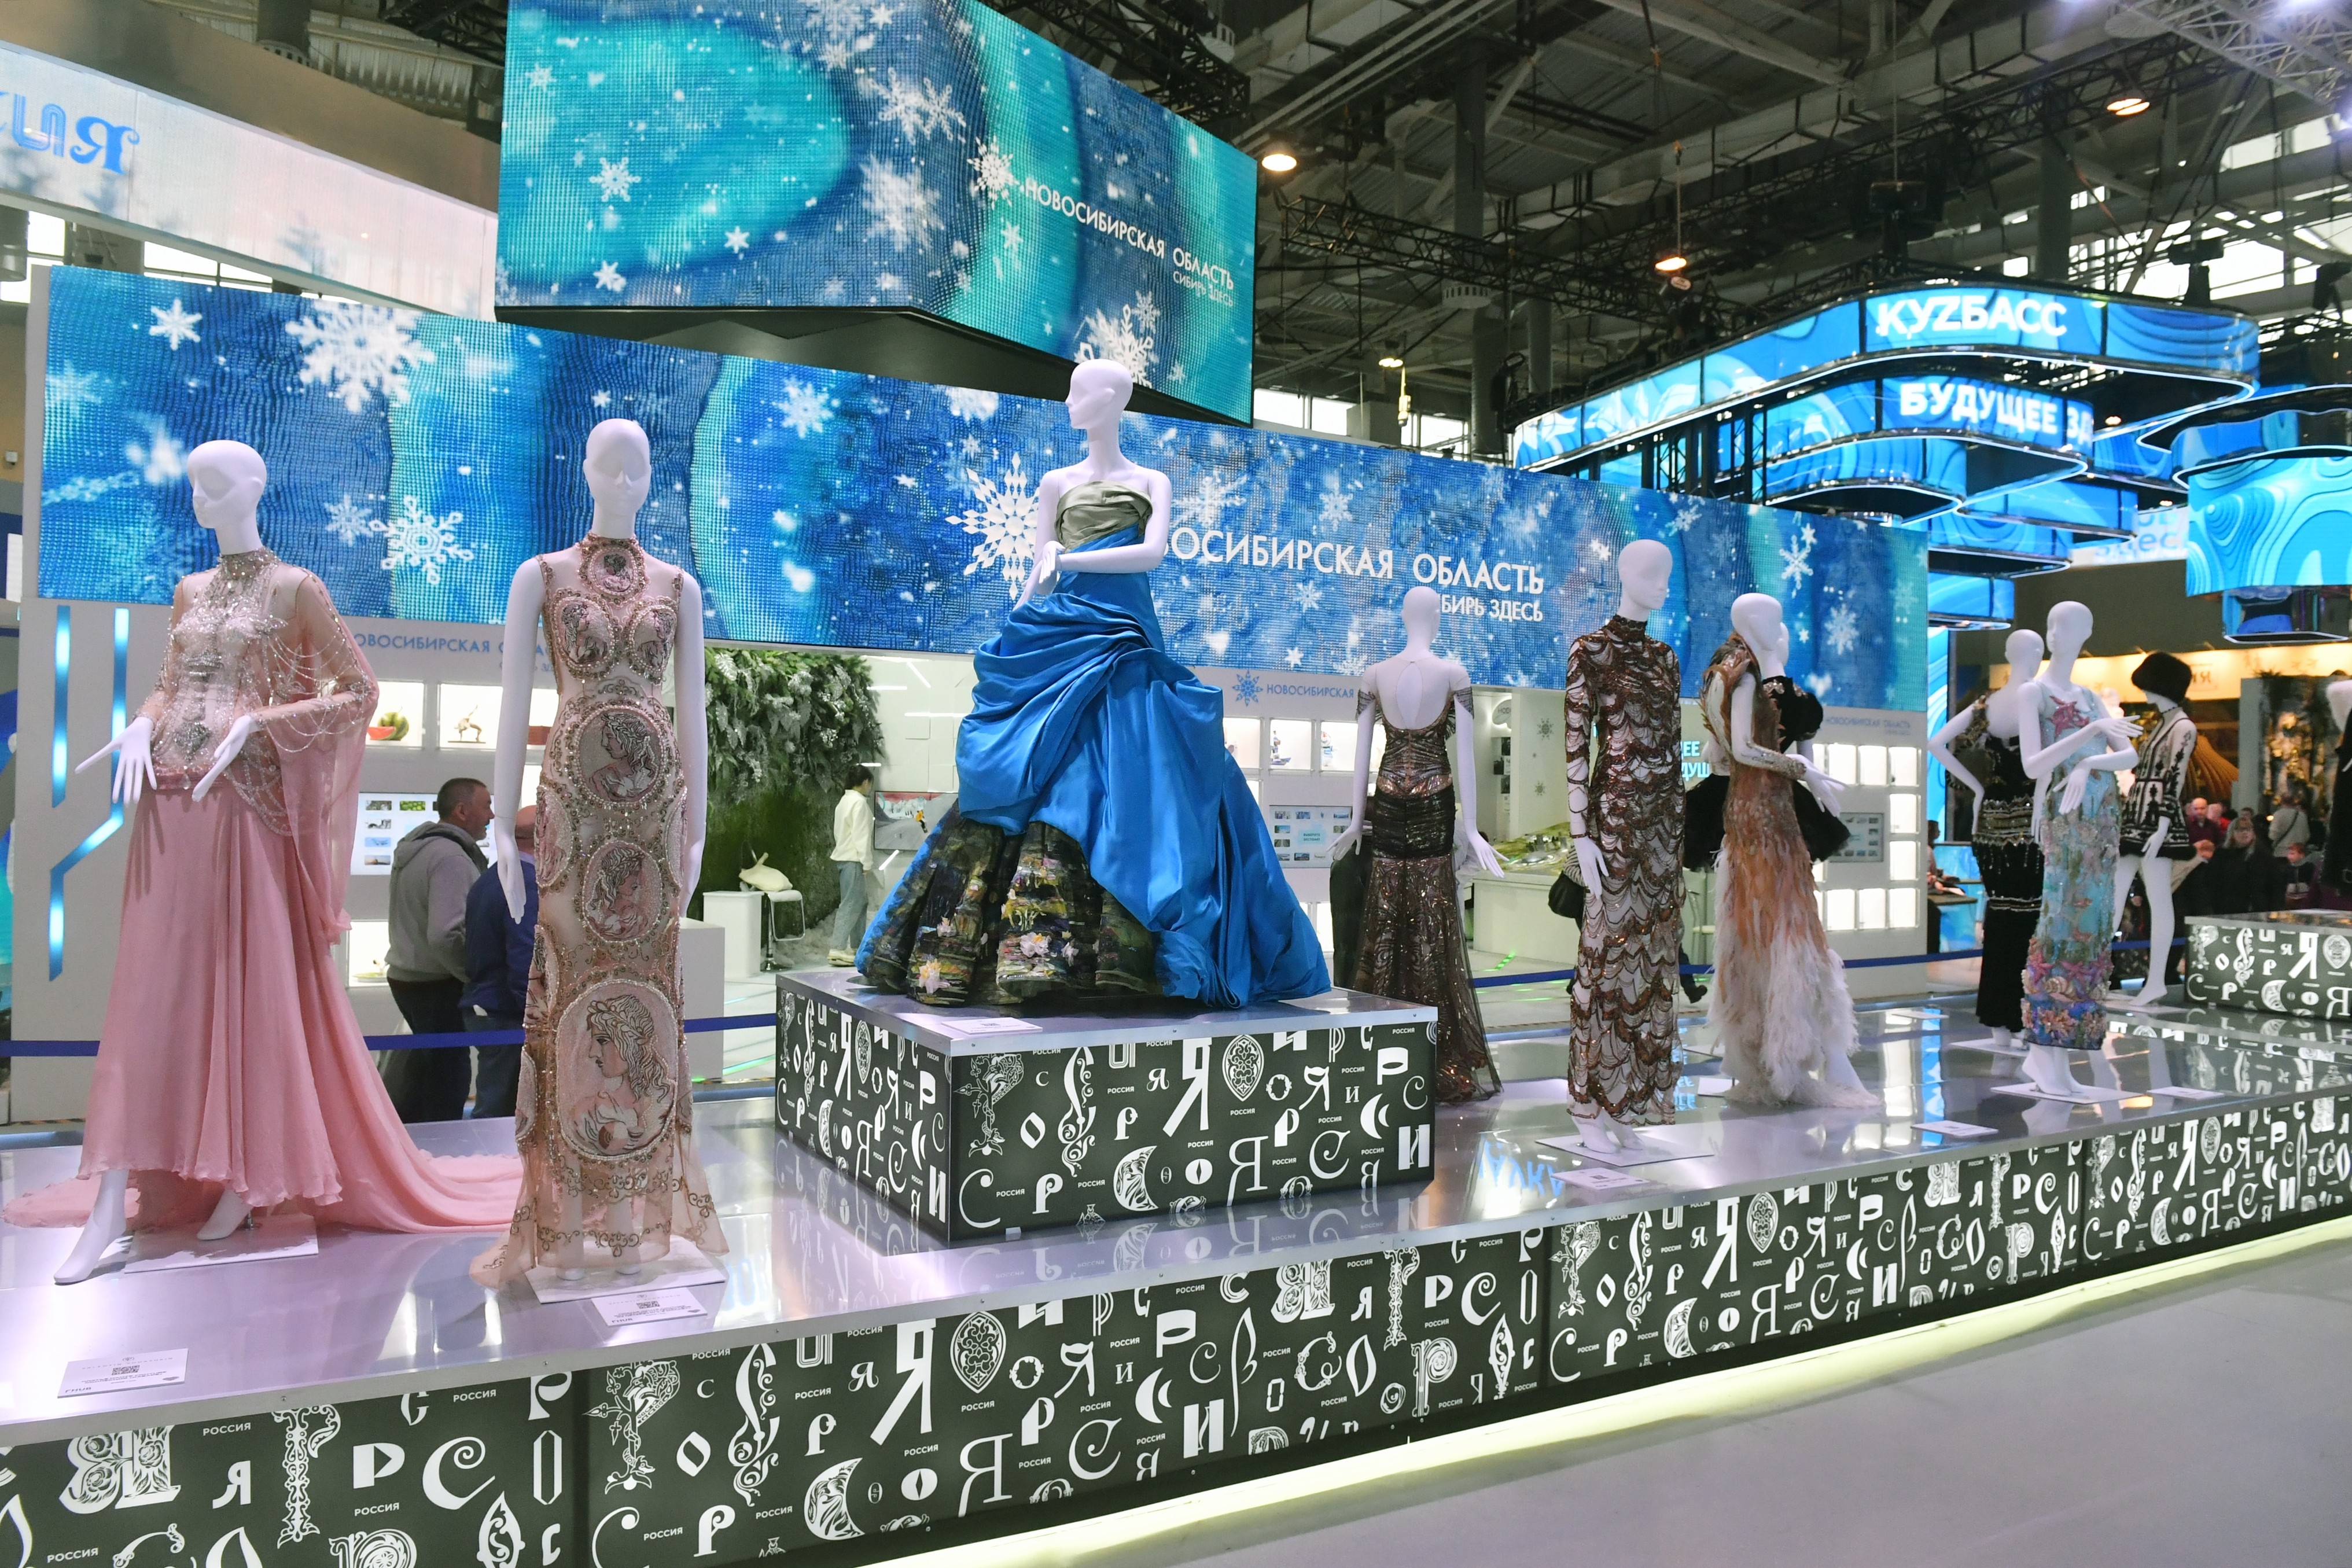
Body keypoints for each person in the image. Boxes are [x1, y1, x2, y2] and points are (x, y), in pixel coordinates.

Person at [386, 777, 494, 1122]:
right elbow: (446, 935)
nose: (491, 816)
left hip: (410, 978)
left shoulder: (417, 847)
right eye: (487, 806)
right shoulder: (451, 858)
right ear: (462, 811)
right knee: (449, 1074)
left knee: (430, 1071)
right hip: (436, 984)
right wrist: (473, 974)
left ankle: (420, 1140)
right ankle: (443, 1146)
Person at [461, 805, 535, 1119]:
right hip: (506, 1013)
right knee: (502, 1108)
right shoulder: (523, 883)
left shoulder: (494, 877)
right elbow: (525, 957)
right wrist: (536, 1012)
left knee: (498, 1101)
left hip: (489, 1006)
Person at [828, 764, 876, 966]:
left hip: (844, 857)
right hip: (854, 859)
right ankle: (837, 948)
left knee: (860, 903)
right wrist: (867, 862)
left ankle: (857, 946)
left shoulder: (844, 801)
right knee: (850, 904)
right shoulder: (859, 803)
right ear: (865, 783)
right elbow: (861, 836)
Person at [2207, 816, 2268, 914]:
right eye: (2241, 830)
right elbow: (2213, 881)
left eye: (2249, 829)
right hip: (2227, 907)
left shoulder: (2262, 854)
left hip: (2256, 908)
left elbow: (2272, 883)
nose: (2245, 833)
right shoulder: (2222, 854)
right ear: (2232, 832)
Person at [2269, 782, 2311, 859]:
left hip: (2282, 853)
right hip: (2298, 853)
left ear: (2282, 801)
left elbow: (2273, 836)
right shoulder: (2302, 815)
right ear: (2294, 801)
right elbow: (2307, 836)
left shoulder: (2279, 815)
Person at [2283, 840, 2320, 908]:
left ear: (2302, 855)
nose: (2290, 857)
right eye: (2289, 854)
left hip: (2306, 897)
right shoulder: (2287, 868)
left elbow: (2313, 881)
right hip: (2290, 898)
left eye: (2293, 854)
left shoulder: (2309, 867)